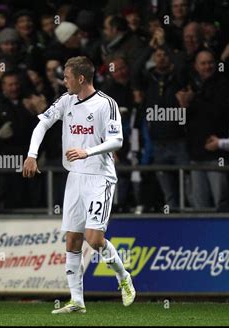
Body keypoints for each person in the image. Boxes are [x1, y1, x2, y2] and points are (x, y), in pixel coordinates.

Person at [22, 56, 135, 314]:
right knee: (72, 240)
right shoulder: (66, 101)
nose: (64, 82)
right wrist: (31, 154)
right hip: (75, 177)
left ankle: (123, 278)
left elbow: (117, 140)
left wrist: (88, 152)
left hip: (99, 178)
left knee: (94, 239)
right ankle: (77, 300)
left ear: (81, 78)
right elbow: (43, 124)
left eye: (67, 77)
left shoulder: (107, 104)